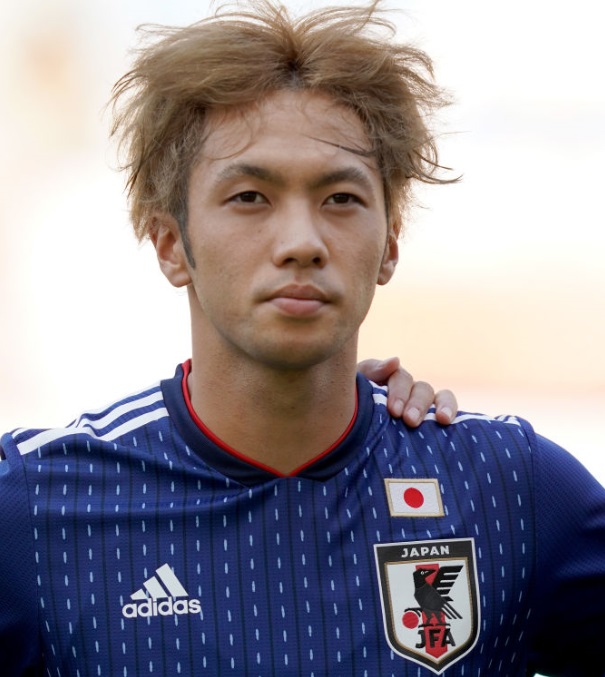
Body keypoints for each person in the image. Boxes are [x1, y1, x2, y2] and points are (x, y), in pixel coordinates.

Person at [0, 1, 603, 675]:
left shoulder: (508, 486)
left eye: (340, 198)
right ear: (170, 243)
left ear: (390, 241)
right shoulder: (35, 508)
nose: (301, 242)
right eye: (249, 197)